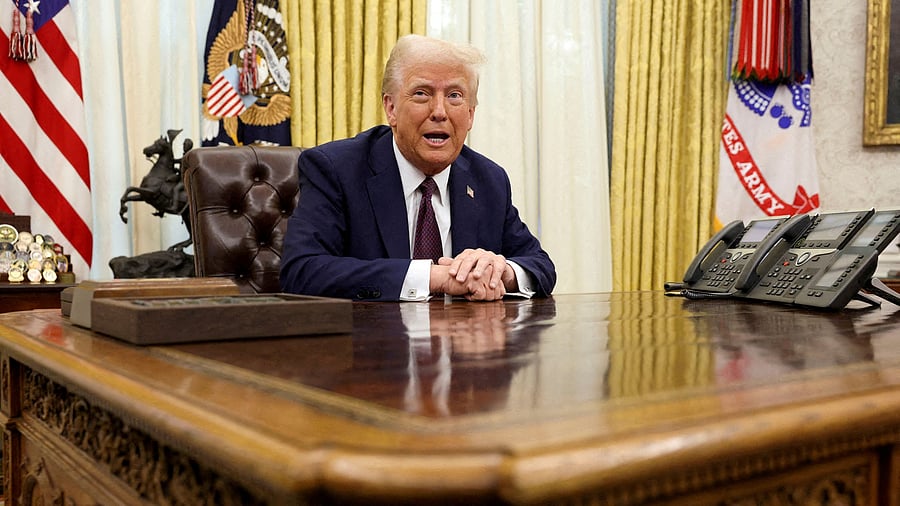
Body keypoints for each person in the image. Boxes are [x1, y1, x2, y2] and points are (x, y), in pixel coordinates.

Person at [279, 34, 555, 301]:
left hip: (466, 343)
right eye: (422, 94)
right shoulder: (336, 169)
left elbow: (540, 266)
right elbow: (302, 272)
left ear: (470, 114)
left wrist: (500, 272)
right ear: (391, 108)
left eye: (455, 96)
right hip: (373, 344)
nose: (439, 111)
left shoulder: (488, 180)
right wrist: (435, 278)